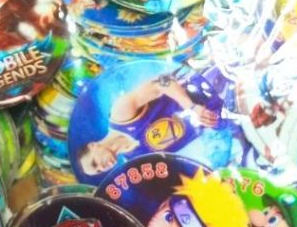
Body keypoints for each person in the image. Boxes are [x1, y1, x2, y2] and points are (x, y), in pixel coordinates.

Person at [77, 72, 221, 178]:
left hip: (207, 80)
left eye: (94, 163)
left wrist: (192, 107)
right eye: (99, 171)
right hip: (221, 110)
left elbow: (161, 81)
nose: (102, 167)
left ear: (93, 145)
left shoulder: (120, 115)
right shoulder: (137, 160)